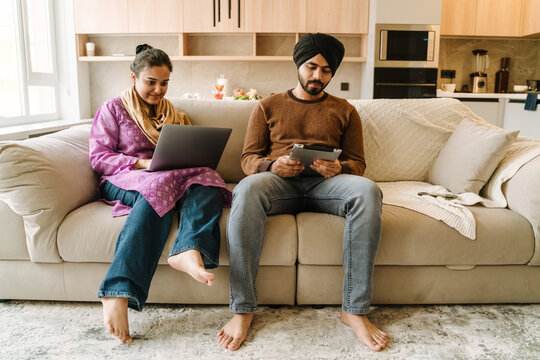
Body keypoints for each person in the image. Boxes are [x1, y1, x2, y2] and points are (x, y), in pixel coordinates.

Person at [217, 33, 388, 352]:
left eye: (326, 71)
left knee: (367, 191)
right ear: (299, 64)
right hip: (279, 184)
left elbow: (358, 163)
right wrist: (272, 166)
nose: (317, 76)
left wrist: (341, 169)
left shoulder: (345, 110)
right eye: (312, 67)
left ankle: (353, 310)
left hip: (327, 185)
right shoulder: (267, 105)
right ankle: (242, 309)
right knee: (246, 188)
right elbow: (247, 159)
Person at [89, 44, 231, 344]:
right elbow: (99, 158)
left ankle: (188, 248)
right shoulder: (113, 109)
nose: (158, 89)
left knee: (208, 177)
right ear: (133, 78)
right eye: (150, 82)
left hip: (165, 177)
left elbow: (189, 155)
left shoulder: (175, 114)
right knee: (158, 186)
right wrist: (142, 162)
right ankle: (117, 292)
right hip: (124, 177)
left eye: (164, 82)